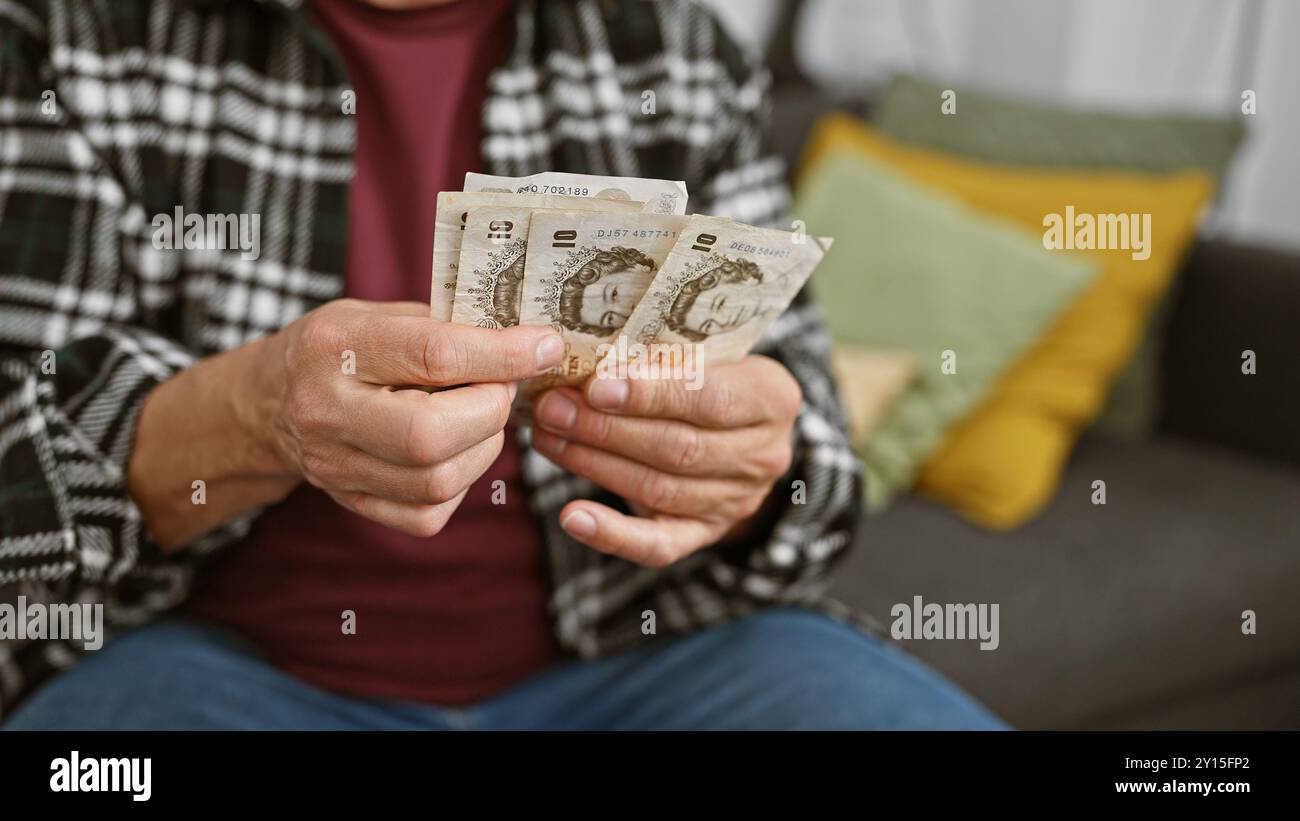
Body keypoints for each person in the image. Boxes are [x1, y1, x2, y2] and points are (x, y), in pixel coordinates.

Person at [0, 0, 1003, 730]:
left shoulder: (680, 48)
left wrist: (746, 473)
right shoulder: (72, 33)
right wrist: (257, 410)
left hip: (652, 651)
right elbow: (17, 490)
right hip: (215, 662)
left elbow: (813, 477)